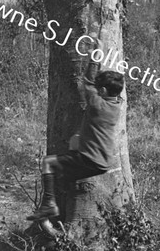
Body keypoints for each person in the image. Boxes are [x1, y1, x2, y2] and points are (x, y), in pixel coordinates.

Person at [27, 38, 124, 221]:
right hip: (103, 162)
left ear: (102, 91)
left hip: (90, 160)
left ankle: (49, 206)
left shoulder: (97, 105)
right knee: (62, 177)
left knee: (48, 163)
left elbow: (87, 81)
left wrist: (96, 53)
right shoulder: (117, 104)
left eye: (98, 88)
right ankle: (57, 214)